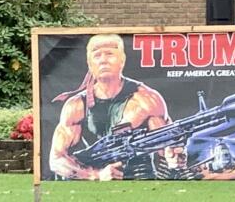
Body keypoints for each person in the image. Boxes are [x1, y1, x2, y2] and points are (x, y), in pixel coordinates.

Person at [48, 33, 184, 180]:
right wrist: (95, 175)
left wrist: (174, 156)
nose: (103, 61)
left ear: (122, 60)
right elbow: (56, 160)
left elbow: (167, 146)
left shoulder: (146, 100)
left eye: (109, 54)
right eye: (97, 55)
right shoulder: (76, 106)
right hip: (92, 185)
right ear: (89, 64)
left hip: (141, 181)